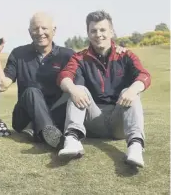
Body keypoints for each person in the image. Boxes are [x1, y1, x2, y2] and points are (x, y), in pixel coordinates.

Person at [57, 10, 150, 168]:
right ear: (88, 33)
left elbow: (144, 75)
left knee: (131, 92)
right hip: (93, 120)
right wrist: (72, 89)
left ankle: (135, 147)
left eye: (102, 30)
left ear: (111, 31)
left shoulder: (125, 55)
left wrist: (132, 89)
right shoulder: (80, 58)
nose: (98, 34)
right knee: (78, 89)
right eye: (93, 31)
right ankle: (72, 140)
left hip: (119, 120)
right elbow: (64, 76)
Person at [0, 12, 76, 148]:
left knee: (73, 91)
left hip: (57, 113)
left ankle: (36, 129)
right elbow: (3, 85)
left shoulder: (67, 55)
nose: (40, 32)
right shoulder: (18, 54)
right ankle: (52, 135)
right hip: (24, 116)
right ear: (29, 32)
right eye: (35, 28)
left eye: (44, 28)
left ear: (54, 30)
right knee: (32, 91)